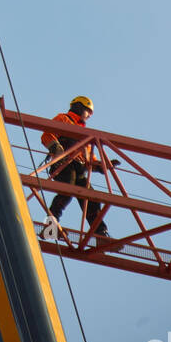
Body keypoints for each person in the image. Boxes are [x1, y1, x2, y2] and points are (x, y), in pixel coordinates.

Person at [41, 95, 118, 239]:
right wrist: (57, 148)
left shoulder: (84, 135)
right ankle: (50, 227)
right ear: (78, 107)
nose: (89, 115)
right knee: (67, 190)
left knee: (91, 198)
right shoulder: (63, 119)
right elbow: (47, 134)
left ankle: (100, 233)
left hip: (79, 169)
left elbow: (90, 160)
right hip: (64, 165)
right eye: (88, 111)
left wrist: (104, 166)